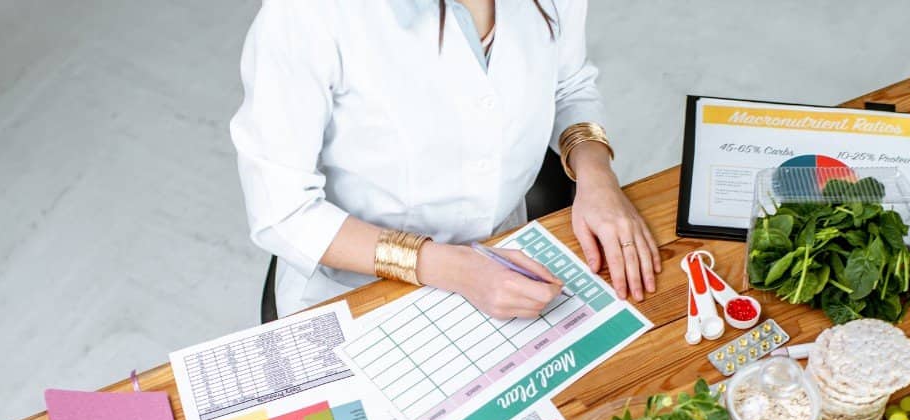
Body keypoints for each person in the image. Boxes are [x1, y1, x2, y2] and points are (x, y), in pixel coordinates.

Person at [230, 0, 661, 320]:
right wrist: (455, 269)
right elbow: (283, 211)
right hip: (360, 289)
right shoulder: (309, 15)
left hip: (505, 255)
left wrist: (597, 177)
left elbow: (568, 84)